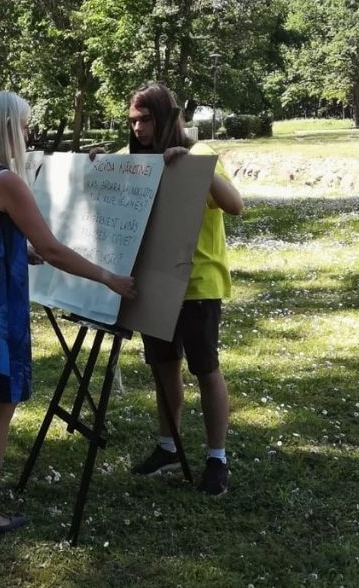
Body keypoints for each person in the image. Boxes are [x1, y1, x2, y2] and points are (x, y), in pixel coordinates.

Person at [0, 90, 136, 535]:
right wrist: (109, 279)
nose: (28, 132)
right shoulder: (6, 180)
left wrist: (14, 249)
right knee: (0, 403)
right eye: (24, 125)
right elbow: (54, 249)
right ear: (8, 127)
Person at [124, 83, 243, 495]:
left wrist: (196, 167)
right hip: (154, 283)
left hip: (197, 285)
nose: (138, 128)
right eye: (133, 121)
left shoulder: (201, 156)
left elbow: (235, 205)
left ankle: (216, 457)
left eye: (146, 119)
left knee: (206, 370)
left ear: (166, 117)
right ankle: (168, 445)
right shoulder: (138, 158)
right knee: (163, 367)